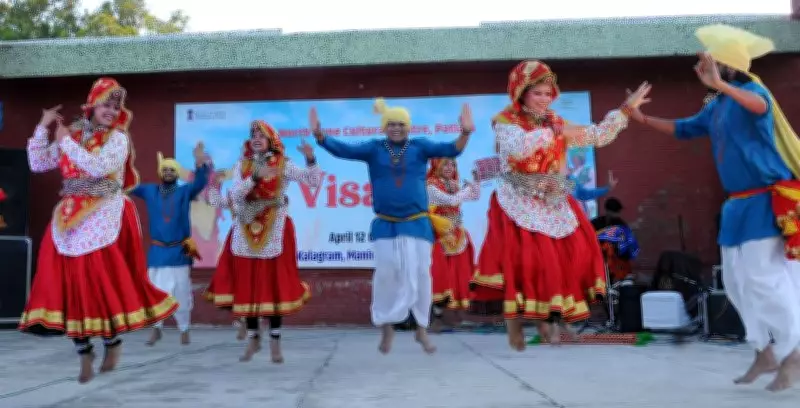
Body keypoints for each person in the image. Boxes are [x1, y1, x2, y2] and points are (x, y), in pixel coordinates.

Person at [627, 24, 800, 392]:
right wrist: (641, 119)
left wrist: (720, 85)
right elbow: (685, 128)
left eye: (711, 62)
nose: (702, 68)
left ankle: (793, 352)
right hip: (737, 206)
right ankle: (763, 349)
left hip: (765, 200)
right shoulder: (718, 105)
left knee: (765, 280)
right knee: (736, 283)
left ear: (729, 66)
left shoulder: (752, 92)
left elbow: (760, 105)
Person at [469, 60, 650, 350]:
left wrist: (626, 109)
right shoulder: (506, 122)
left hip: (551, 198)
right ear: (521, 93)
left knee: (576, 251)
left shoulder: (555, 121)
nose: (543, 99)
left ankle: (551, 322)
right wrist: (552, 131)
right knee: (528, 263)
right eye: (537, 93)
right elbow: (519, 148)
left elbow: (597, 135)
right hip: (518, 198)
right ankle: (516, 327)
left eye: (547, 93)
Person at [18, 78, 178, 384]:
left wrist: (65, 141)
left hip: (103, 212)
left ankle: (112, 343)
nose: (111, 110)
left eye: (116, 106)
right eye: (106, 104)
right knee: (69, 284)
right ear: (92, 105)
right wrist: (43, 126)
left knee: (97, 282)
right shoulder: (74, 132)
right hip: (68, 217)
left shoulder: (117, 139)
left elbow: (99, 169)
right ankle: (84, 352)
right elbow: (38, 163)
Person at [311, 98, 474, 354]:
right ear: (384, 127)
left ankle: (422, 329)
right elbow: (344, 150)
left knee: (421, 275)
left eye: (401, 124)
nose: (396, 128)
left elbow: (453, 149)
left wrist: (465, 132)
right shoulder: (374, 148)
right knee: (386, 274)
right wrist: (321, 136)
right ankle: (387, 327)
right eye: (391, 124)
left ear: (408, 127)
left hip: (417, 223)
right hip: (386, 224)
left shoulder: (420, 146)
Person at [204, 120, 319, 363]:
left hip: (274, 227)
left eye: (261, 135)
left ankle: (275, 342)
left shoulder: (283, 164)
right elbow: (234, 196)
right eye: (253, 134)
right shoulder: (242, 165)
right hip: (245, 227)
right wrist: (253, 179)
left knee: (274, 285)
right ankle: (254, 337)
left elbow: (312, 181)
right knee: (248, 284)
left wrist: (310, 159)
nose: (256, 138)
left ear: (271, 140)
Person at [129, 147, 210, 346]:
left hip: (179, 252)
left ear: (176, 173)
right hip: (157, 252)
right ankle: (157, 328)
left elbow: (200, 182)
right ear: (160, 172)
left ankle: (184, 328)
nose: (168, 173)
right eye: (165, 169)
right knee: (156, 291)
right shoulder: (150, 191)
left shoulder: (184, 192)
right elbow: (127, 185)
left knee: (181, 291)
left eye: (172, 170)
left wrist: (200, 164)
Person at [426, 158, 480, 331]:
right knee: (442, 276)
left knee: (460, 274)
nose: (450, 168)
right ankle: (437, 318)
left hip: (456, 234)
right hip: (440, 236)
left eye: (453, 165)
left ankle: (458, 316)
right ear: (437, 166)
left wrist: (476, 181)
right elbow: (451, 201)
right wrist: (466, 190)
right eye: (445, 165)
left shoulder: (454, 184)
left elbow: (475, 196)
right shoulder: (430, 186)